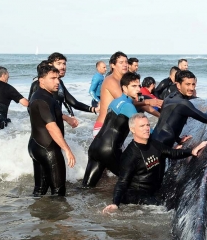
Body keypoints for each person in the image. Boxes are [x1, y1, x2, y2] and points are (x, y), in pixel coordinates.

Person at [102, 113, 207, 213]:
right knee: (163, 209)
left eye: (147, 125)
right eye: (142, 126)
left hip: (153, 190)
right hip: (136, 194)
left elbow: (173, 153)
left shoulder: (154, 144)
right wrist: (115, 203)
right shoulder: (130, 155)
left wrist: (192, 151)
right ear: (132, 129)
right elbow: (122, 182)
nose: (146, 128)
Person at [82, 72, 142, 188]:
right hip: (109, 150)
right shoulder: (128, 106)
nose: (138, 89)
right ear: (124, 88)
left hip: (95, 147)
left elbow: (138, 99)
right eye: (134, 86)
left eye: (139, 86)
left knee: (86, 187)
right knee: (134, 180)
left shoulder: (115, 102)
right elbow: (142, 127)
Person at [28, 64, 76, 196]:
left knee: (40, 190)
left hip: (36, 145)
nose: (57, 81)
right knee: (58, 192)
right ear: (41, 80)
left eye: (58, 78)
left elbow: (46, 115)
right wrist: (67, 150)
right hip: (48, 149)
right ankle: (57, 216)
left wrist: (66, 118)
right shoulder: (44, 99)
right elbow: (51, 126)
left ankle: (37, 214)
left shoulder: (40, 95)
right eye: (53, 78)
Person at [95, 51, 161, 137]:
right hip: (103, 128)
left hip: (117, 128)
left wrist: (159, 115)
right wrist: (149, 101)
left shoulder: (127, 80)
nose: (125, 65)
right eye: (121, 62)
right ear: (112, 65)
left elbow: (140, 100)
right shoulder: (111, 80)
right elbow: (125, 102)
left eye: (126, 62)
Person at [151, 70, 207, 148]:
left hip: (153, 141)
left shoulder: (168, 98)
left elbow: (168, 122)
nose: (192, 88)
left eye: (193, 84)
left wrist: (178, 140)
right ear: (178, 85)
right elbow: (206, 118)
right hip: (162, 148)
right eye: (188, 84)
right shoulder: (183, 104)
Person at [29, 53, 97, 118]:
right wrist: (64, 118)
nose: (62, 67)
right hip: (47, 128)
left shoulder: (60, 83)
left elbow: (73, 102)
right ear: (50, 65)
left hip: (57, 125)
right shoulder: (39, 83)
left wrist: (93, 109)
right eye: (58, 64)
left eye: (64, 64)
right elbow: (32, 108)